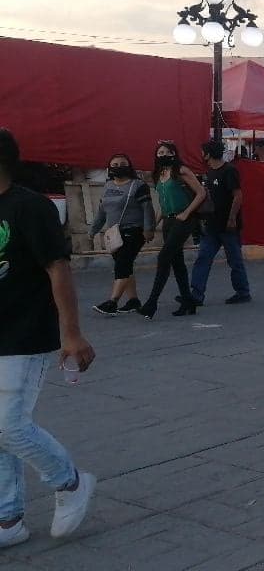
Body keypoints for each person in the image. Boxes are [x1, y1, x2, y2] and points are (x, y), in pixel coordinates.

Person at [0, 128, 97, 548]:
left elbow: (58, 269)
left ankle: (70, 482)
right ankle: (8, 520)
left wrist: (72, 334)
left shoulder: (30, 207)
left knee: (9, 426)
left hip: (24, 333)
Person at [138, 142, 207, 319]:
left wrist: (186, 213)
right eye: (160, 152)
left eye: (167, 152)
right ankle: (188, 301)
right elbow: (162, 202)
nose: (162, 155)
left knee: (164, 256)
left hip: (184, 219)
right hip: (168, 220)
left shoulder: (181, 171)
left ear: (174, 154)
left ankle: (152, 302)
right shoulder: (159, 175)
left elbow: (201, 193)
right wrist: (155, 223)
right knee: (177, 262)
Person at [88, 154, 155, 315]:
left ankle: (112, 302)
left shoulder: (138, 186)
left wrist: (148, 229)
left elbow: (148, 209)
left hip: (134, 231)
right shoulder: (108, 186)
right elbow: (102, 211)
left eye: (122, 164)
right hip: (115, 233)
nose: (118, 167)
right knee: (126, 266)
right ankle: (133, 301)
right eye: (115, 164)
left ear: (129, 166)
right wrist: (92, 230)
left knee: (122, 265)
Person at [189, 140, 251, 306]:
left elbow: (238, 196)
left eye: (203, 152)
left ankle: (243, 292)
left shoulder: (229, 171)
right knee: (203, 258)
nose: (202, 155)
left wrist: (232, 218)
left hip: (228, 226)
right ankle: (196, 295)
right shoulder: (209, 172)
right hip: (211, 225)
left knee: (235, 260)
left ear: (209, 154)